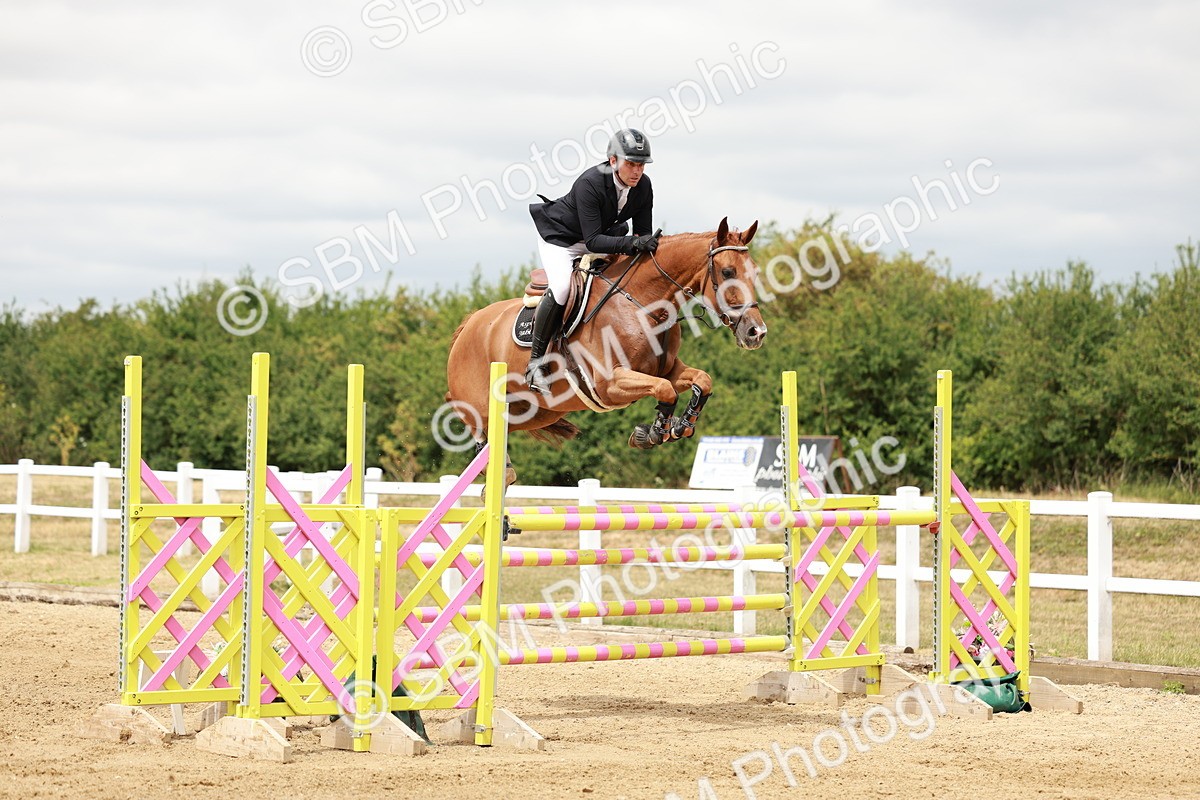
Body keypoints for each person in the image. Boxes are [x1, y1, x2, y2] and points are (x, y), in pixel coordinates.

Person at [525, 128, 661, 393]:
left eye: (641, 165)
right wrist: (633, 243)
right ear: (613, 161)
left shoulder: (643, 186)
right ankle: (535, 365)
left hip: (603, 237)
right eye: (631, 164)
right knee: (563, 288)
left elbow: (642, 233)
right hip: (562, 241)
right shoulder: (590, 183)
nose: (637, 171)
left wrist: (643, 245)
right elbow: (593, 242)